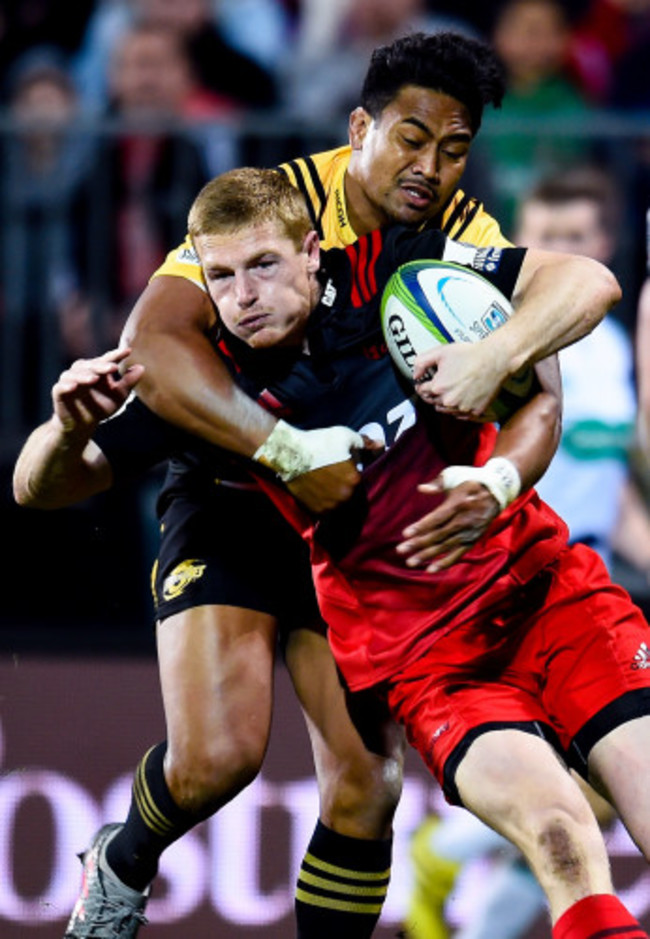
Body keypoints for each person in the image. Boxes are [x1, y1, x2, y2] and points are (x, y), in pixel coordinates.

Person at [16, 31, 616, 939]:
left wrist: (497, 365)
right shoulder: (265, 222)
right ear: (359, 127)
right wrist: (285, 450)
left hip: (351, 528)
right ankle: (125, 855)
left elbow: (562, 336)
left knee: (365, 788)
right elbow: (154, 350)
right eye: (411, 139)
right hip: (236, 498)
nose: (430, 167)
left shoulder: (459, 237)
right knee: (217, 759)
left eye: (453, 149)